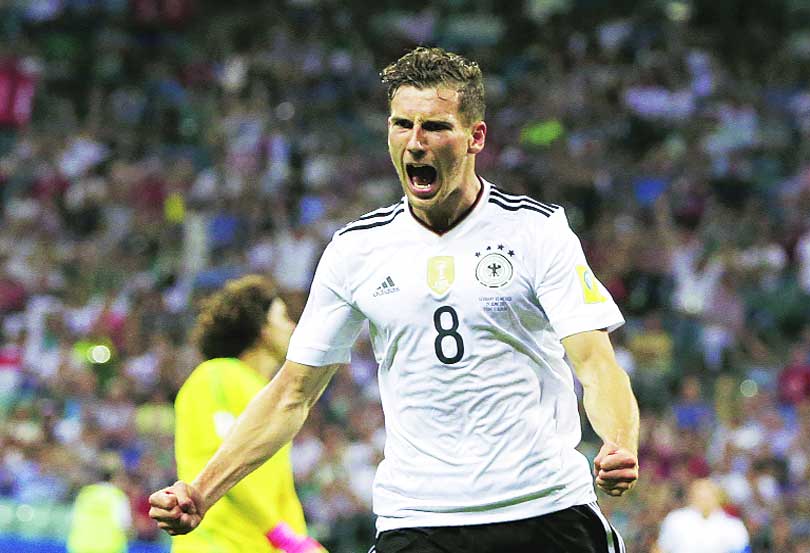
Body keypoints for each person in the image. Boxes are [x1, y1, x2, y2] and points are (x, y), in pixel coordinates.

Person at [149, 47, 640, 553]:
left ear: (476, 137)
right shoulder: (356, 250)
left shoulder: (536, 231)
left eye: (435, 127)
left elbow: (596, 365)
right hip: (419, 520)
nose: (416, 143)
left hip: (544, 510)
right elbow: (292, 393)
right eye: (402, 125)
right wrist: (201, 491)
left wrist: (619, 443)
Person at [171, 275, 324, 553]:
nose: (292, 327)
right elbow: (222, 464)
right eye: (283, 317)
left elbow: (280, 487)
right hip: (215, 546)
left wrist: (298, 539)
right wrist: (282, 535)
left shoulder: (269, 394)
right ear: (261, 327)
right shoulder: (215, 376)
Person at [654, 478, 750, 553]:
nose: (704, 501)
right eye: (699, 496)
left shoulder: (733, 526)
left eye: (708, 497)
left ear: (718, 498)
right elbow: (661, 548)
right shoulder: (675, 519)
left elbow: (742, 551)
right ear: (691, 497)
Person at [67, 468, 131, 553]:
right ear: (114, 479)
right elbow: (124, 523)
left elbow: (74, 518)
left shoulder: (85, 493)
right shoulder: (117, 495)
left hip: (81, 545)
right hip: (109, 547)